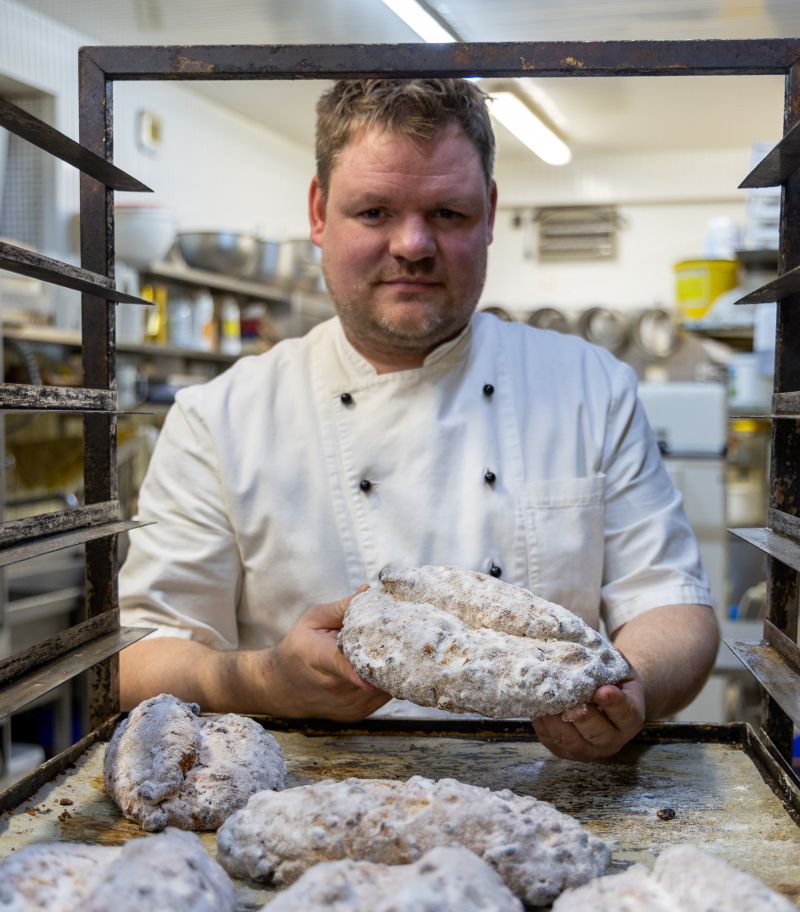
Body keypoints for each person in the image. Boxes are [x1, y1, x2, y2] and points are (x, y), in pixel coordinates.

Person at [119, 78, 719, 762]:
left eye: (448, 213)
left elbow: (673, 607)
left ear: (490, 212)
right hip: (309, 804)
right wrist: (265, 680)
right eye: (374, 211)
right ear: (319, 212)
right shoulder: (219, 419)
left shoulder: (590, 387)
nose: (412, 244)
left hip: (551, 792)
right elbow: (140, 656)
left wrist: (631, 691)